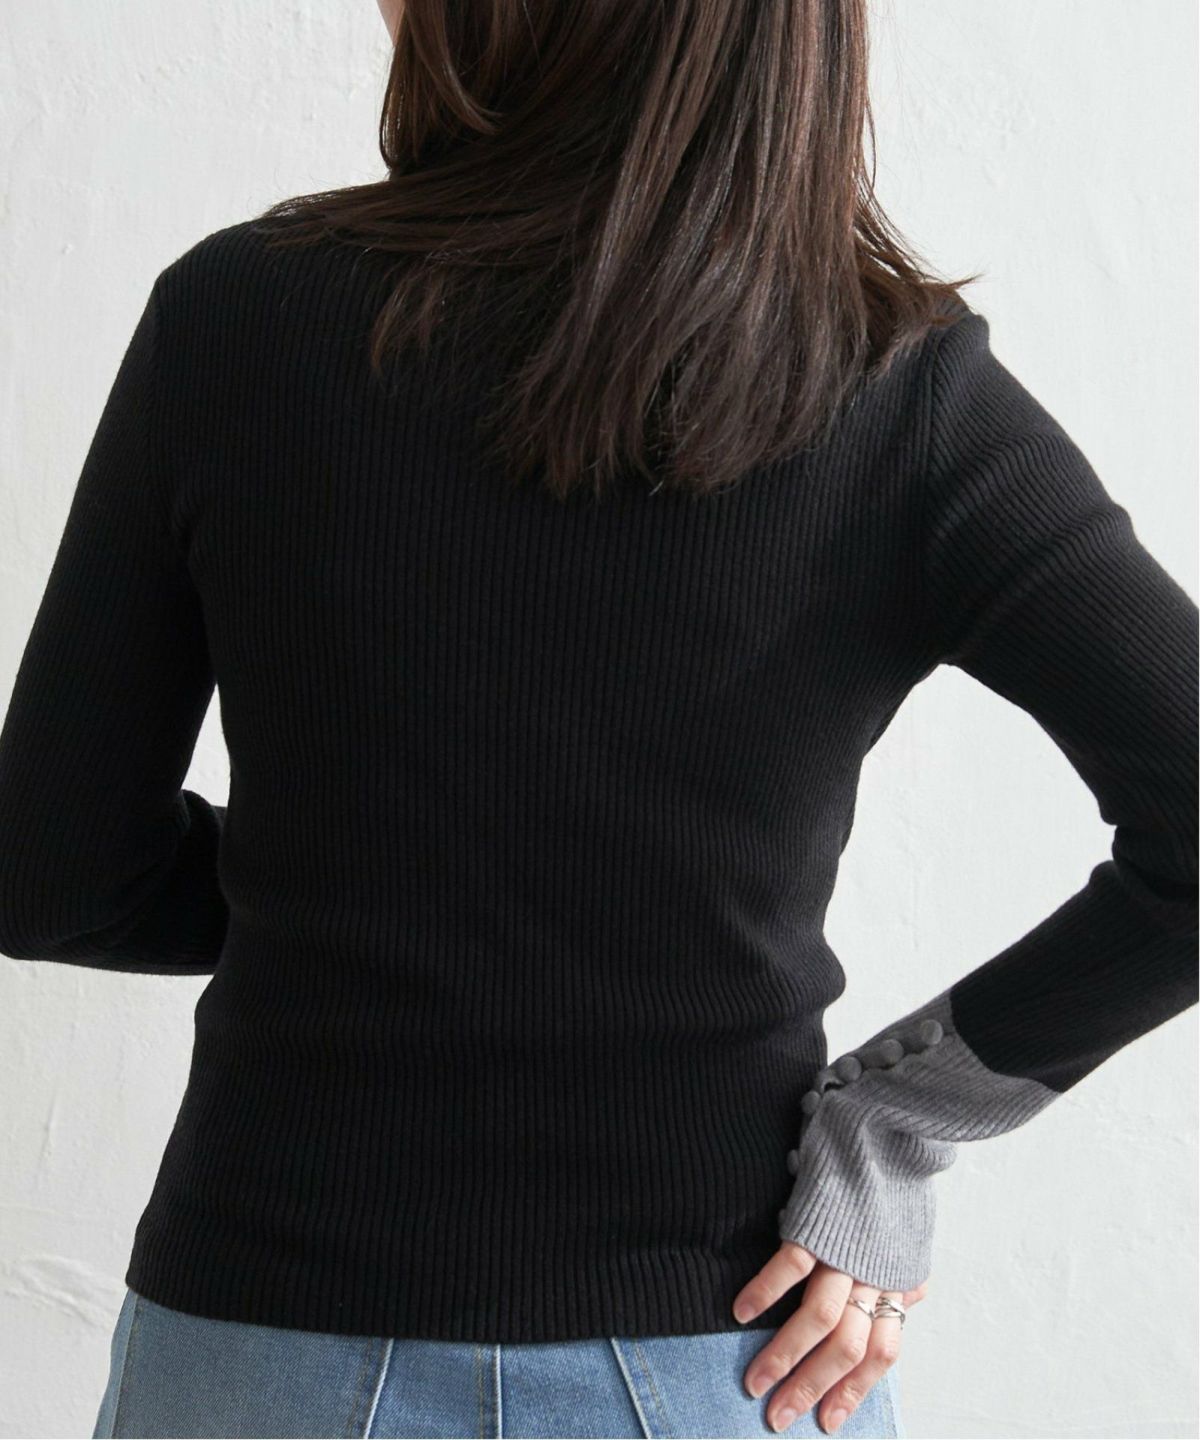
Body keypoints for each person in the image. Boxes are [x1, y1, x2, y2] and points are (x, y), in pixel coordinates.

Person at [0, 1, 1194, 1437]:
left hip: (266, 1345)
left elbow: (52, 871)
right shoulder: (897, 384)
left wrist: (365, 891)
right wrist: (894, 1129)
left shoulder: (238, 320)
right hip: (729, 1361)